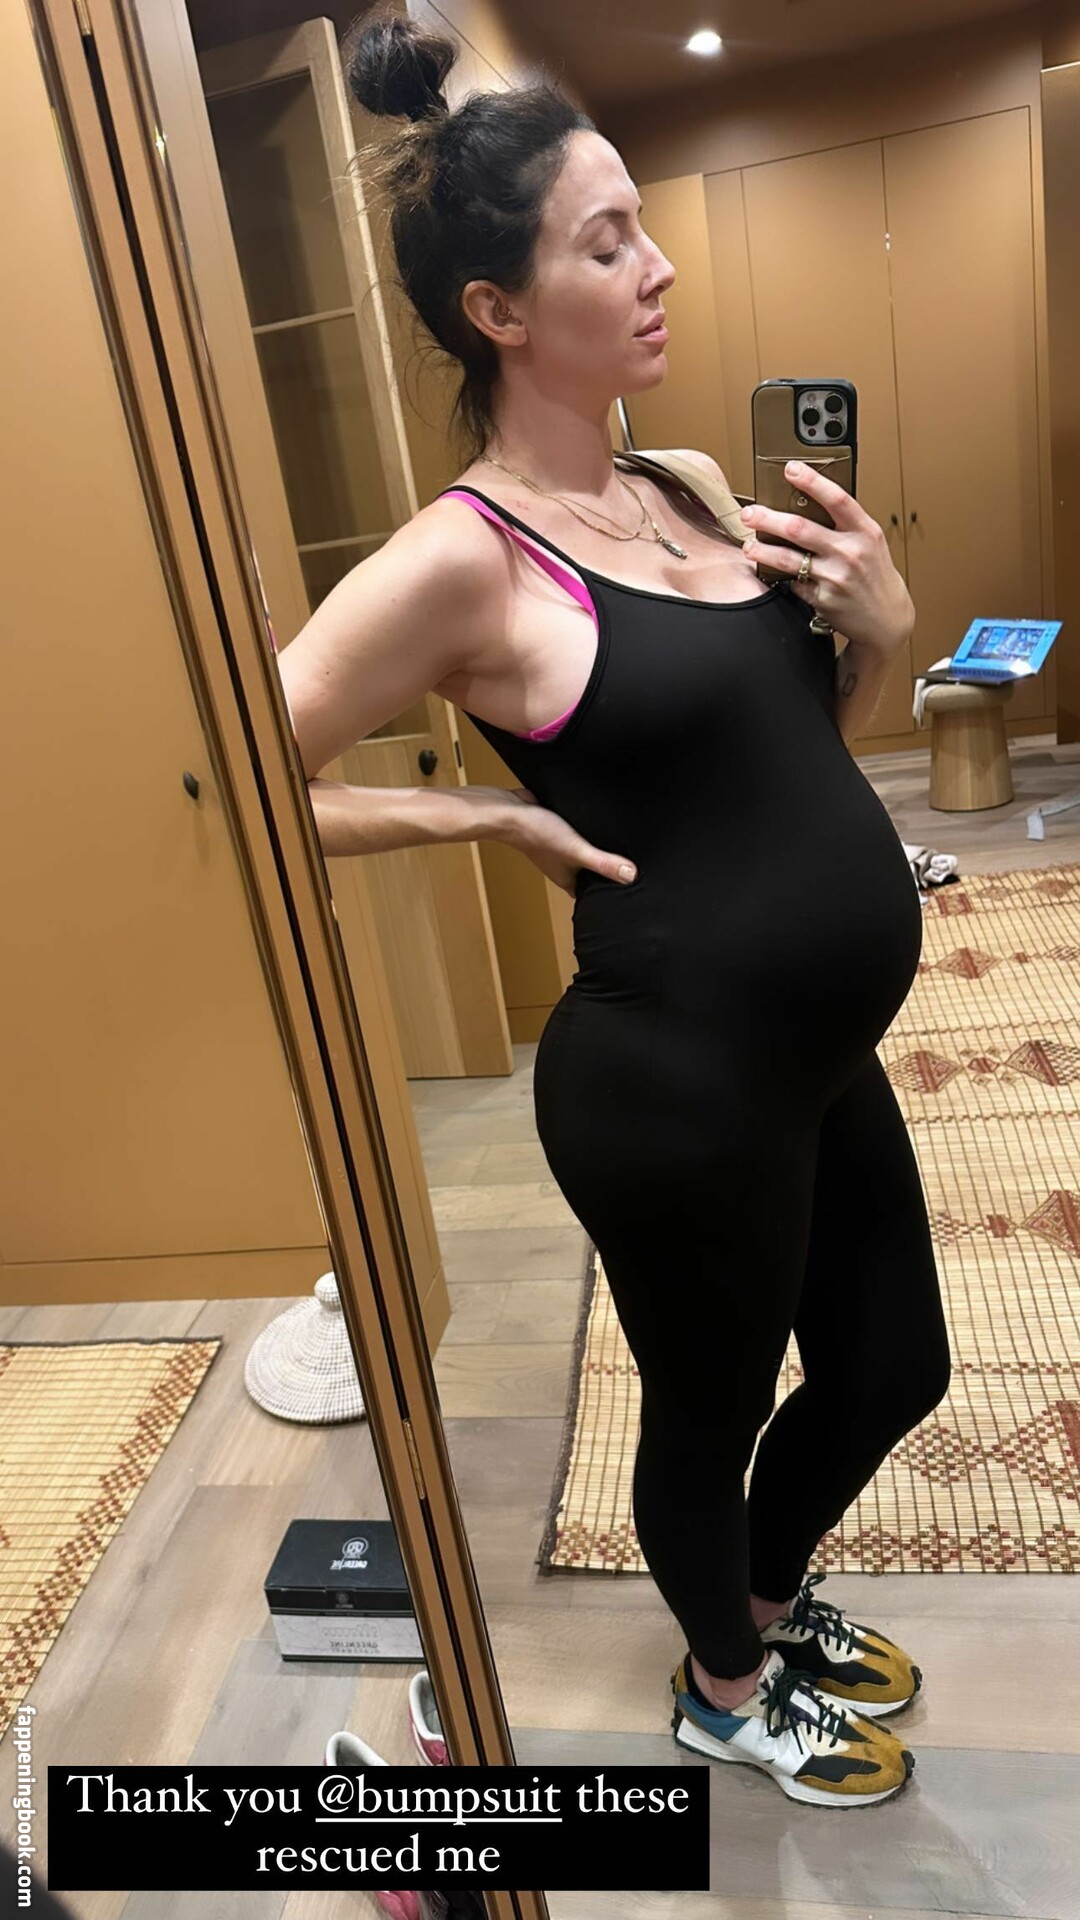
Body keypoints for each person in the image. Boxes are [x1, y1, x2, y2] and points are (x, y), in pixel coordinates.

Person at [278, 10, 952, 1809]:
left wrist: (881, 636)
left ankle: (763, 1601)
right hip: (672, 1084)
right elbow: (239, 775)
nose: (657, 268)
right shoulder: (460, 560)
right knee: (708, 1414)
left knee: (895, 1365)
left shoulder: (687, 490)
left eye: (643, 225)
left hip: (813, 1051)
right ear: (497, 309)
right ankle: (725, 1690)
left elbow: (795, 756)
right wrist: (477, 814)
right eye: (606, 244)